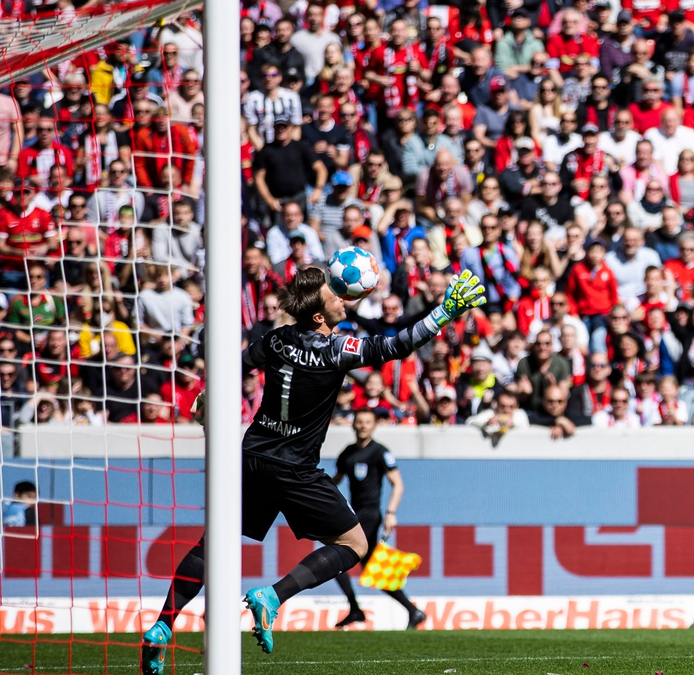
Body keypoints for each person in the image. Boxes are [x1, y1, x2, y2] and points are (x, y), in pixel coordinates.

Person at [140, 268, 485, 674]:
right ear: (319, 316)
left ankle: (163, 625)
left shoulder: (276, 339)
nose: (344, 298)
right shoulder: (337, 350)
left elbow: (235, 365)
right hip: (295, 466)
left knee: (212, 543)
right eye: (335, 295)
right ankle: (274, 596)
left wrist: (205, 393)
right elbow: (398, 345)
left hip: (251, 455)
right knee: (354, 544)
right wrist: (444, 312)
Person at [329, 409, 426, 630]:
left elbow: (398, 484)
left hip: (371, 515)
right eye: (359, 422)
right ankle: (413, 611)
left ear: (374, 426)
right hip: (354, 513)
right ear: (353, 425)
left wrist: (391, 513)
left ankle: (355, 609)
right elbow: (337, 480)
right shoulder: (348, 453)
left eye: (367, 422)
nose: (362, 426)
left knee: (337, 553)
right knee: (372, 568)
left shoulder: (379, 452)